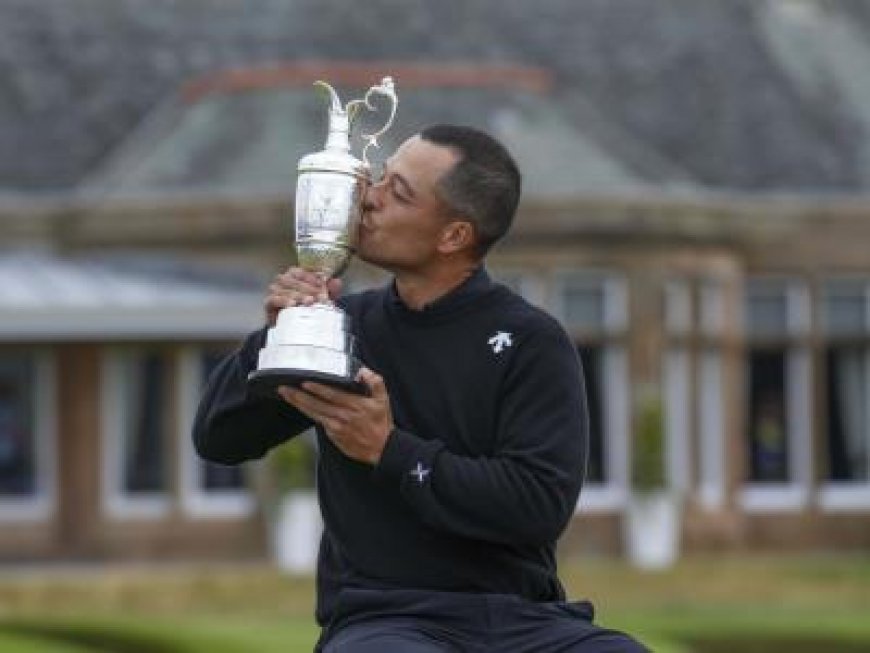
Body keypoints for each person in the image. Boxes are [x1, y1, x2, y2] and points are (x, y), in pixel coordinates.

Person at [193, 124, 646, 652]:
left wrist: (390, 450)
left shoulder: (533, 341)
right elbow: (219, 439)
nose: (369, 197)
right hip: (384, 619)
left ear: (454, 236)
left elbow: (537, 507)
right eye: (381, 177)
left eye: (397, 192)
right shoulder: (344, 325)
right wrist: (276, 339)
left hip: (525, 620)